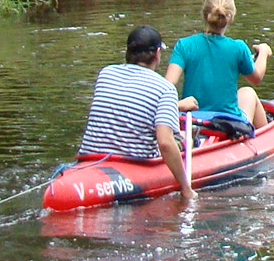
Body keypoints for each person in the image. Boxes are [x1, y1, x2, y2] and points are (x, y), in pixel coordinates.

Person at [76, 25, 195, 196]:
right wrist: (186, 188)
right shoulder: (165, 88)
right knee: (184, 138)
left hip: (91, 158)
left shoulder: (106, 73)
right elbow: (165, 144)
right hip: (134, 163)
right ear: (157, 54)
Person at [167, 0, 272, 130]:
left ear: (205, 14)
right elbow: (256, 79)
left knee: (244, 92)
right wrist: (263, 52)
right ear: (230, 17)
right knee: (248, 93)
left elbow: (167, 85)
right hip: (227, 124)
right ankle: (265, 138)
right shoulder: (238, 47)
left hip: (191, 120)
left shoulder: (184, 45)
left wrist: (176, 105)